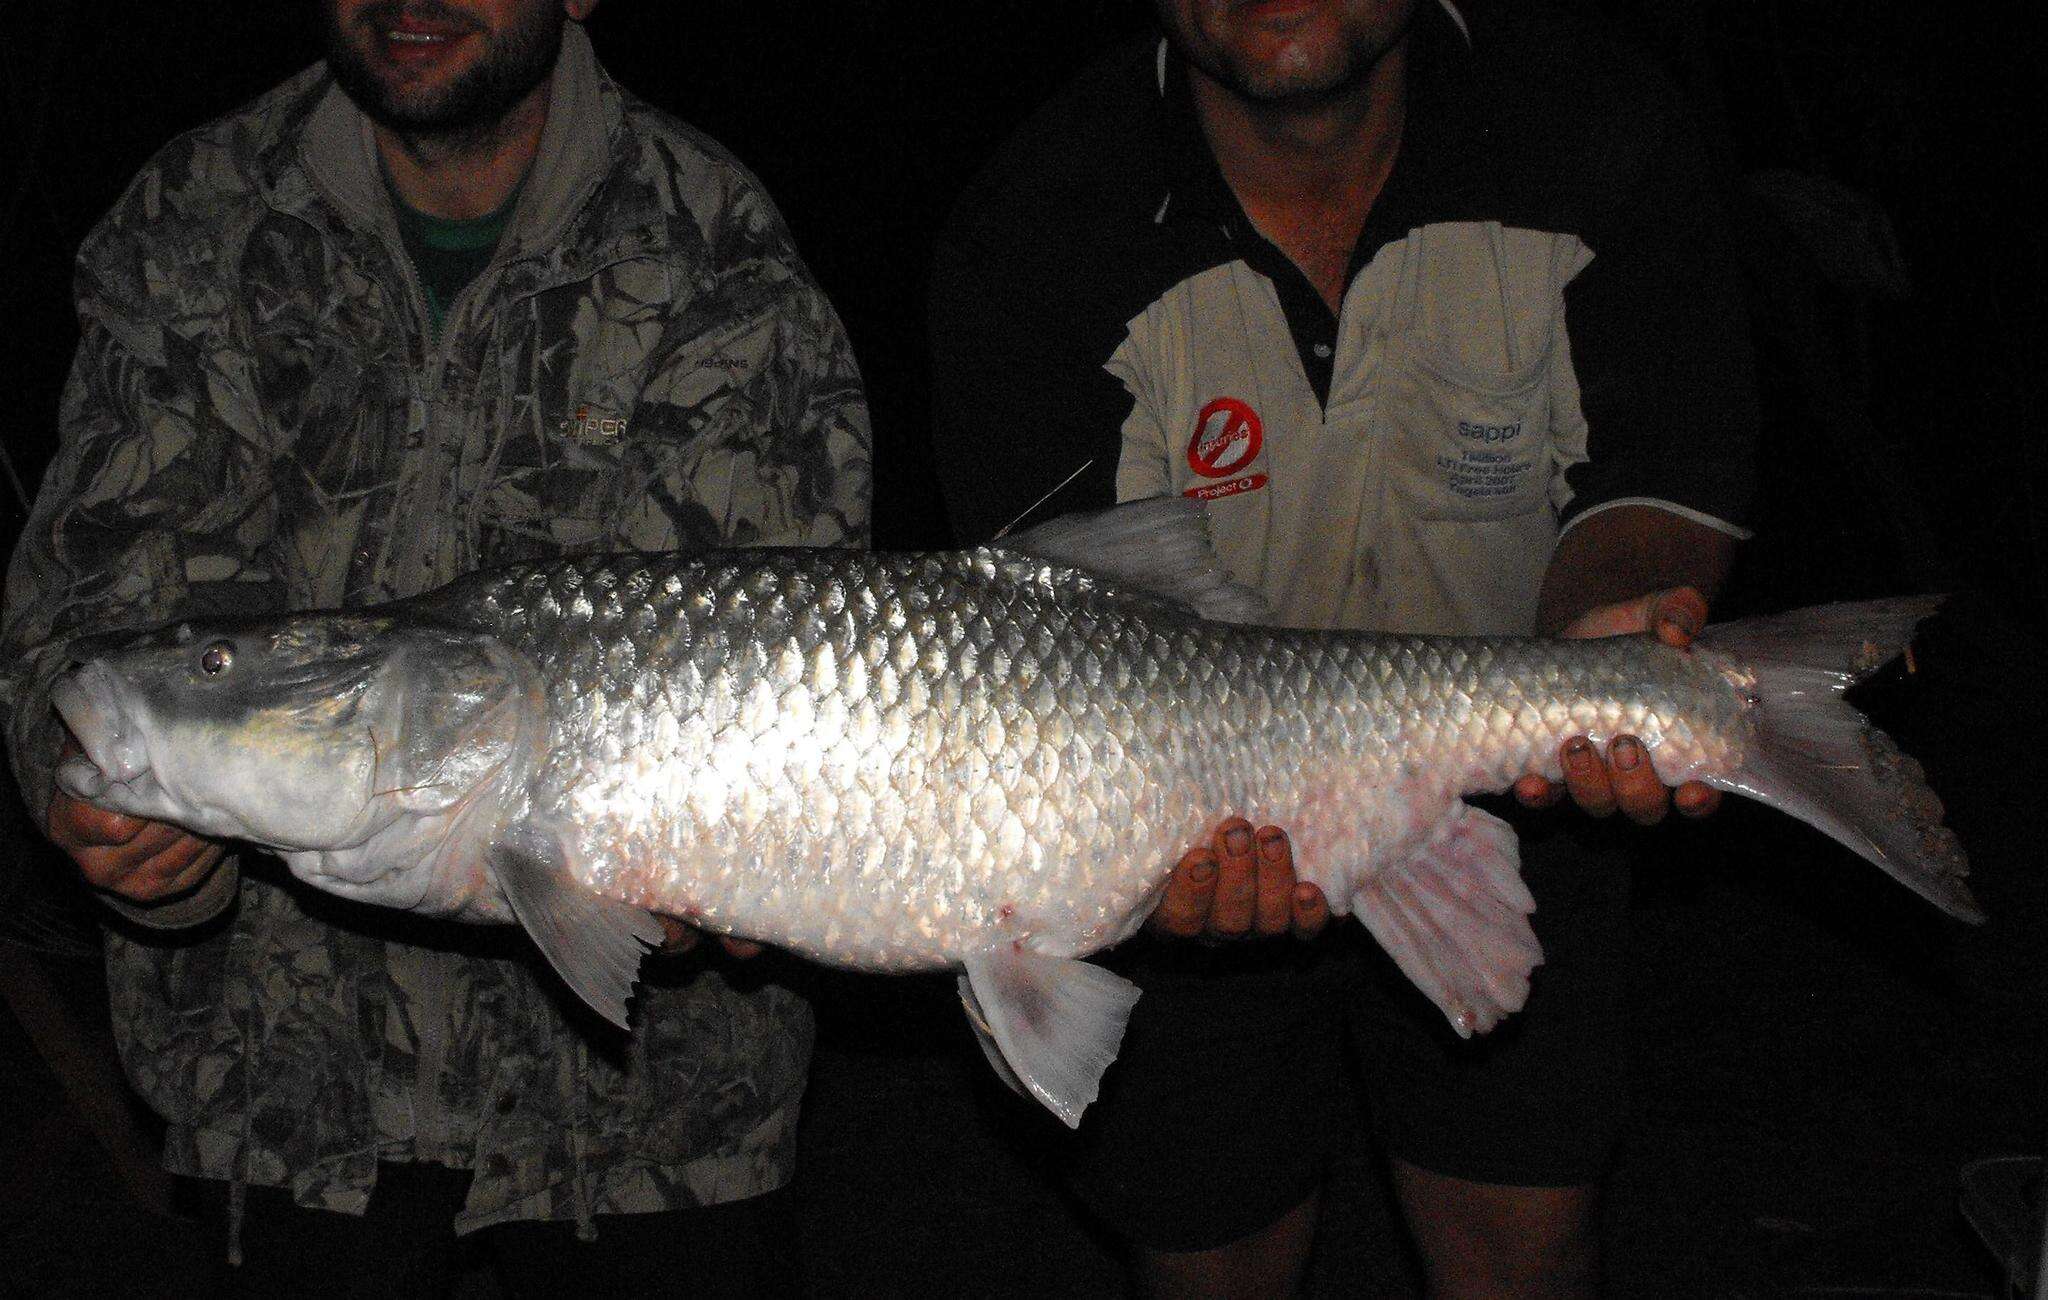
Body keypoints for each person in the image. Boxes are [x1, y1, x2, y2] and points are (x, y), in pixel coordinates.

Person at [0, 1, 869, 1293]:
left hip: (649, 1130)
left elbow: (814, 656)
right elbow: (85, 611)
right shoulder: (200, 214)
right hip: (287, 1101)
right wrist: (133, 851)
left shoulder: (712, 245)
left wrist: (728, 877)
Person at [928, 0, 1757, 1294]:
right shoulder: (1034, 221)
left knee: (1519, 1250)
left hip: (1519, 788)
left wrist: (1620, 637)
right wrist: (1122, 868)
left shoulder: (1597, 128)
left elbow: (1661, 466)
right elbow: (1038, 628)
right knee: (1216, 1258)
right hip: (1162, 822)